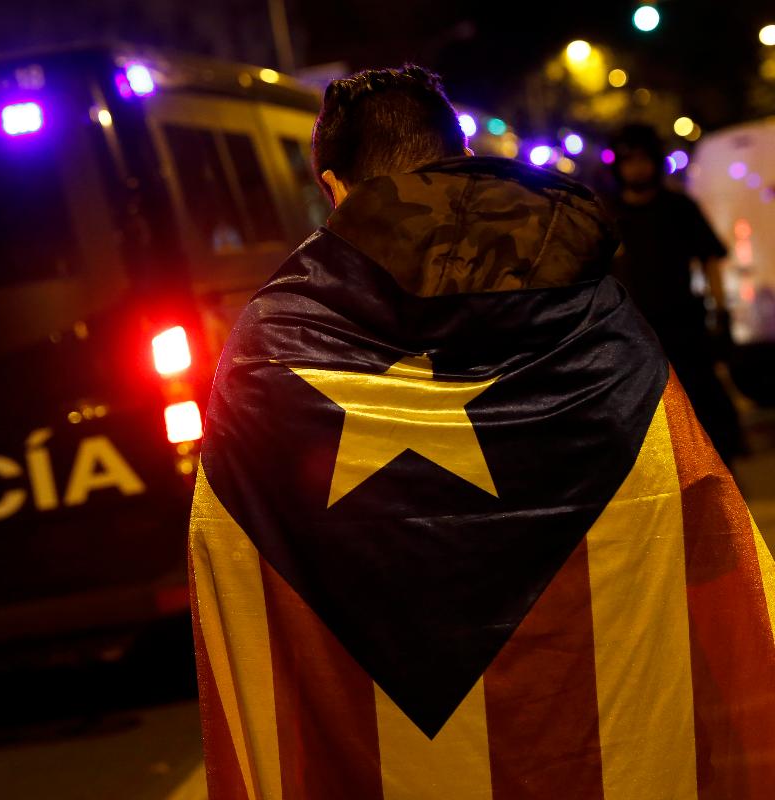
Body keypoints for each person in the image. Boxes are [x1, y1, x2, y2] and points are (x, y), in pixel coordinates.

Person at [189, 66, 775, 799]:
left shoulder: (270, 343)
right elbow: (687, 491)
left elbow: (232, 552)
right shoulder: (594, 309)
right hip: (607, 733)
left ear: (333, 189)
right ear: (462, 158)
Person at [609, 123, 744, 463]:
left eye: (643, 160)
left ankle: (720, 461)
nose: (637, 168)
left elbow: (710, 258)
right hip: (634, 330)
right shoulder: (610, 215)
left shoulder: (678, 207)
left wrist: (721, 311)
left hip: (683, 322)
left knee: (702, 396)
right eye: (629, 161)